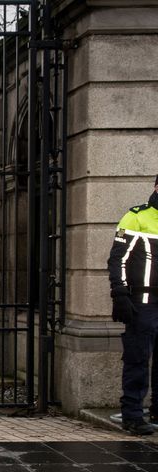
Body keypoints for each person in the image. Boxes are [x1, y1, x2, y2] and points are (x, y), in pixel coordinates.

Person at [107, 174, 158, 436]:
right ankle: (132, 415)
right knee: (137, 359)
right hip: (144, 303)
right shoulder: (136, 217)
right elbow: (117, 259)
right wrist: (120, 293)